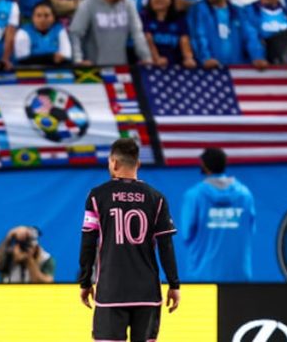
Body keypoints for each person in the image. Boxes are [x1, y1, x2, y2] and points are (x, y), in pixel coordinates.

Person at [79, 138, 180, 342]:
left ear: (114, 163)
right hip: (147, 293)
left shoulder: (97, 196)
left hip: (111, 291)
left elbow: (88, 241)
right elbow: (166, 246)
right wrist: (174, 284)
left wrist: (85, 281)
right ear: (138, 164)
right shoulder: (156, 198)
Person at [180, 147, 256, 283]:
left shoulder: (194, 195)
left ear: (203, 165)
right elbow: (251, 230)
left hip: (202, 277)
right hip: (239, 276)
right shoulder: (245, 195)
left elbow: (186, 234)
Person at [69, 0, 152, 66]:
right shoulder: (87, 5)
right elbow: (75, 34)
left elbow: (137, 33)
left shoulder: (128, 3)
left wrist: (146, 57)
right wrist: (78, 60)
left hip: (120, 67)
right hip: (93, 69)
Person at [189, 0, 268, 69]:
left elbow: (251, 36)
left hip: (237, 69)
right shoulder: (198, 10)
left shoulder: (239, 12)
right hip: (210, 70)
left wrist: (257, 57)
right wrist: (206, 58)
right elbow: (198, 36)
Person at [143, 0, 196, 68]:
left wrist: (188, 58)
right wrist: (157, 58)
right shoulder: (144, 17)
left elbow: (184, 41)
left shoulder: (179, 20)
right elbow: (147, 39)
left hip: (174, 67)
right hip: (150, 66)